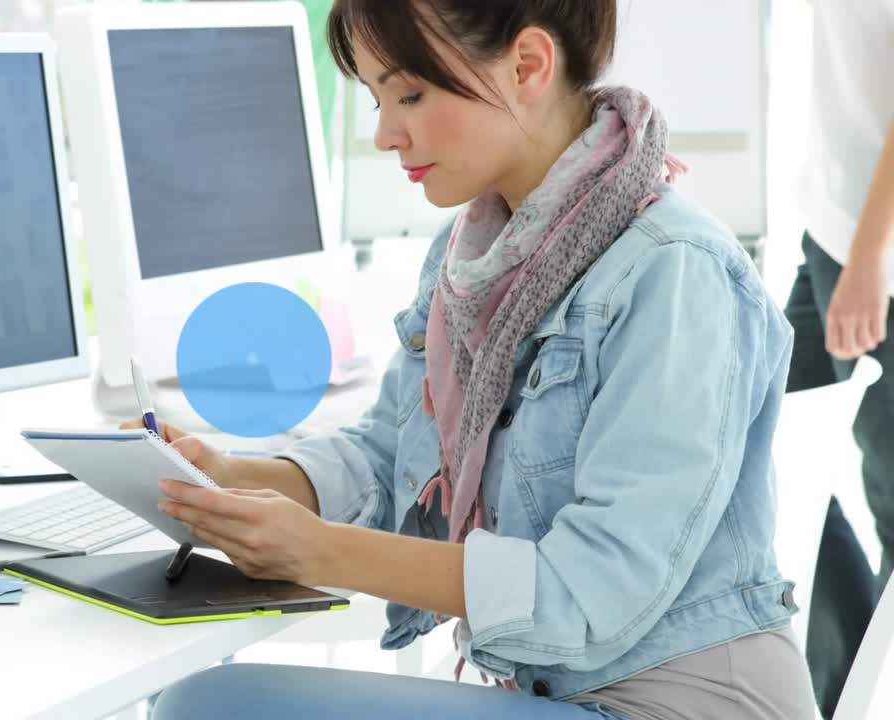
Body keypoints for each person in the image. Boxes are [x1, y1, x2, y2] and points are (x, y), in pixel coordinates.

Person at [138, 1, 816, 717]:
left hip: (680, 703)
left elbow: (590, 590)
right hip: (559, 694)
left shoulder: (676, 273)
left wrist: (320, 551)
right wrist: (227, 477)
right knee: (213, 699)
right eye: (375, 99)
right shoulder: (470, 259)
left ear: (528, 66)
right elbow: (389, 454)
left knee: (213, 707)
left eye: (410, 94)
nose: (384, 134)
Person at [785, 1, 894, 716]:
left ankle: (865, 694)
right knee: (765, 467)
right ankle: (850, 687)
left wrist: (871, 254)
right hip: (833, 228)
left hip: (873, 253)